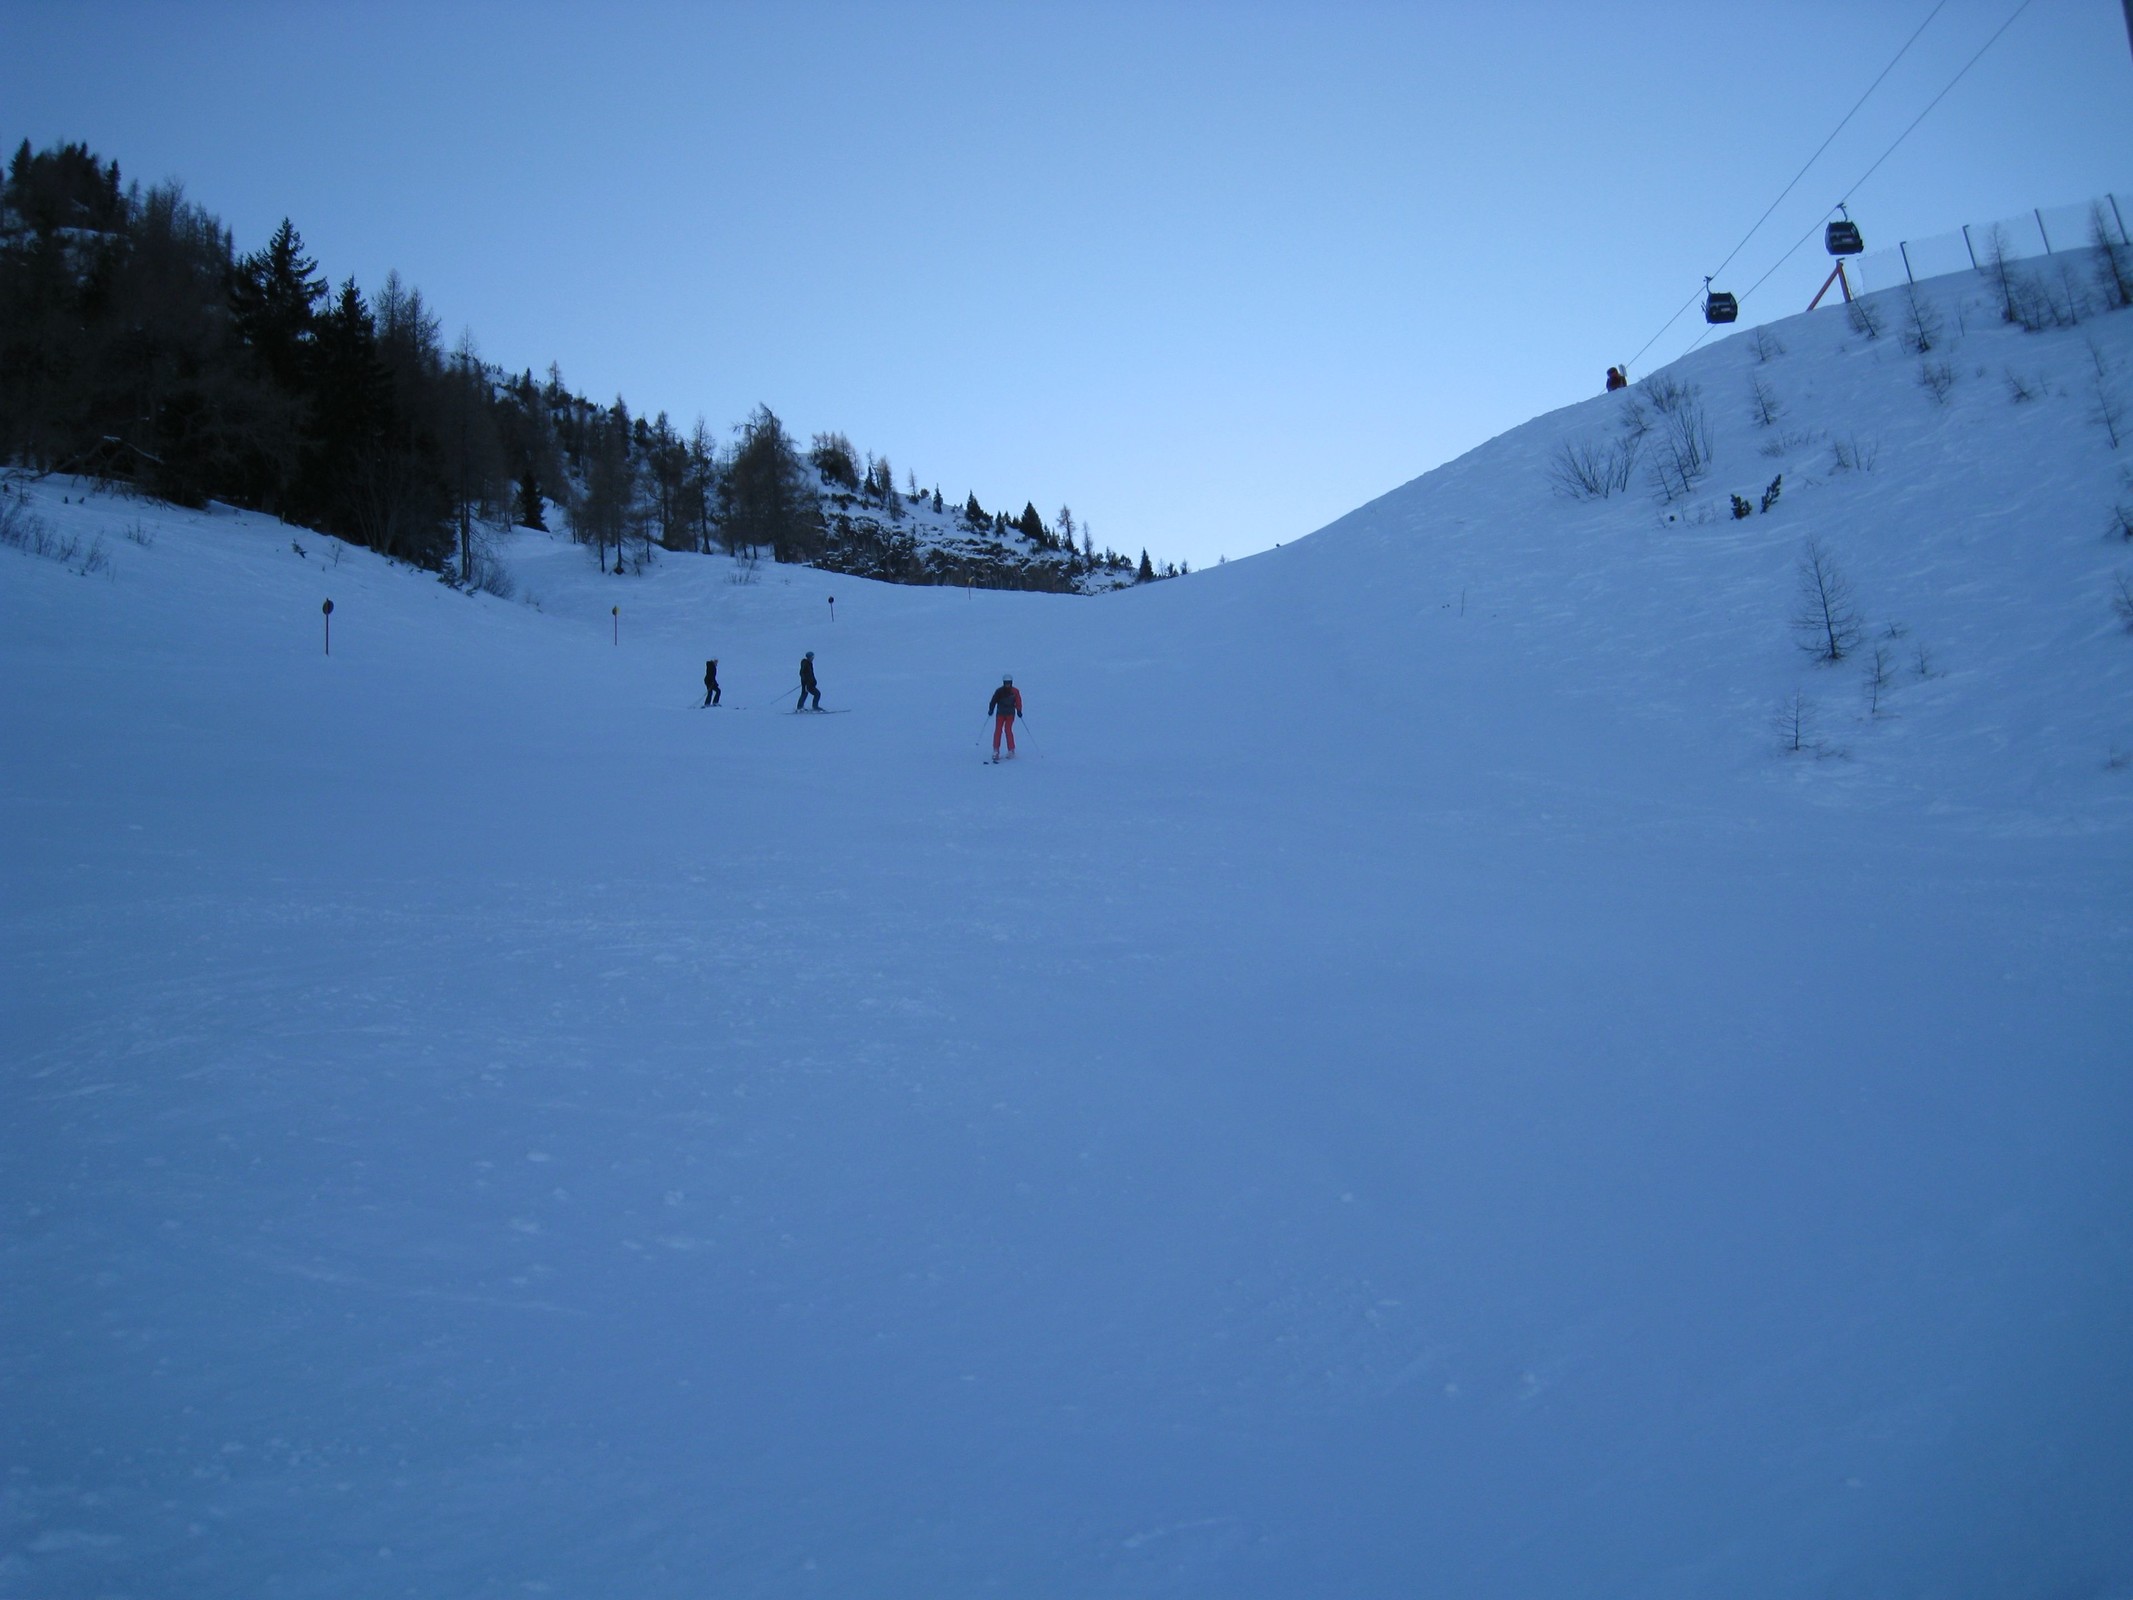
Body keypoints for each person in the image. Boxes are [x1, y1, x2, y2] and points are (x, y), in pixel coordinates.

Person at [987, 674, 1023, 760]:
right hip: (1000, 714)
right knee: (998, 730)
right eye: (1006, 683)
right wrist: (991, 709)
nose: (1007, 685)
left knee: (1008, 730)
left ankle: (1011, 750)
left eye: (1009, 683)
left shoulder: (1015, 691)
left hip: (1010, 714)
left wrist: (1019, 710)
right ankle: (996, 750)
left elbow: (1018, 701)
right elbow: (993, 701)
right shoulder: (999, 691)